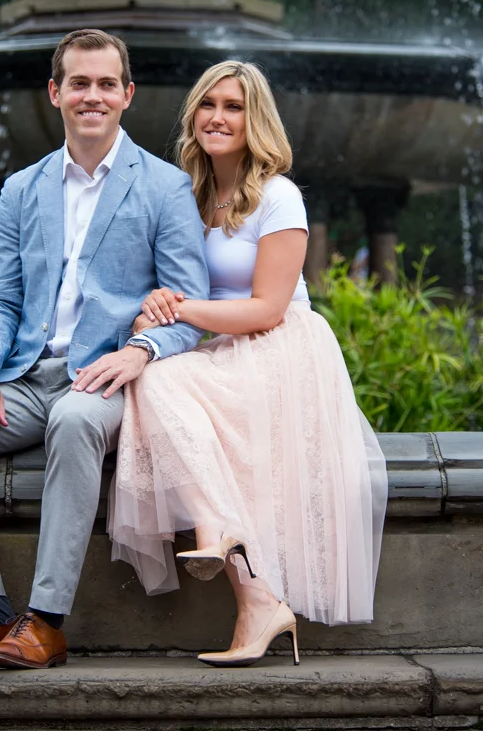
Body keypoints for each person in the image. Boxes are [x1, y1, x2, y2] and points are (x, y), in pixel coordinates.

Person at [0, 28, 209, 671]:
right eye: (78, 83)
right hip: (24, 378)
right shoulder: (21, 189)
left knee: (74, 420)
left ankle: (45, 621)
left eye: (104, 85)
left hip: (109, 382)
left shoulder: (165, 187)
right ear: (55, 92)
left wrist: (142, 351)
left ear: (126, 95)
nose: (91, 96)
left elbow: (190, 312)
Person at [106, 60, 388, 667]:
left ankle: (222, 541)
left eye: (232, 106)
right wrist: (156, 304)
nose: (217, 117)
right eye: (207, 105)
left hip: (279, 348)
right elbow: (171, 285)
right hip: (214, 347)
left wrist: (181, 308)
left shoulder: (278, 196)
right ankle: (256, 596)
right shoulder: (185, 193)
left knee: (157, 380)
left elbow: (266, 308)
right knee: (151, 377)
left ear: (254, 118)